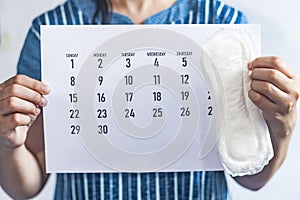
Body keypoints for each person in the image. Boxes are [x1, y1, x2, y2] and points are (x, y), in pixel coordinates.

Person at [0, 0, 299, 199]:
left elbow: (250, 177)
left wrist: (283, 125)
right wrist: (8, 142)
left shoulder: (223, 22)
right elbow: (26, 184)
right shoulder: (52, 28)